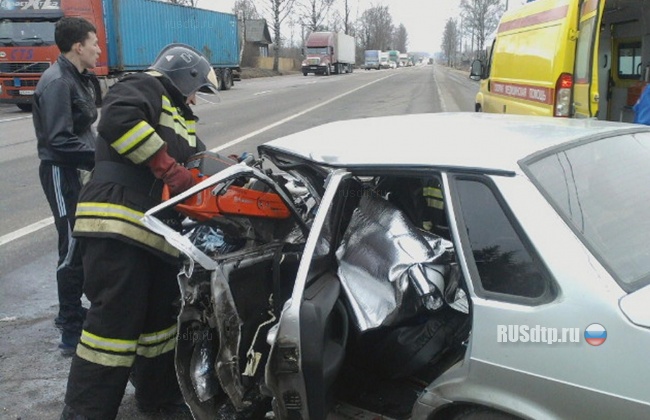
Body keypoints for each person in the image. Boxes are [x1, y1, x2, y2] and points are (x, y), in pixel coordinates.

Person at [60, 43, 219, 419]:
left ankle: (159, 398)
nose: (195, 101)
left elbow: (199, 161)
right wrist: (166, 166)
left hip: (153, 232)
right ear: (185, 77)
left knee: (158, 325)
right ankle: (86, 410)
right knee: (113, 325)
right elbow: (117, 122)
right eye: (195, 91)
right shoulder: (146, 86)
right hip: (116, 221)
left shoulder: (180, 115)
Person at [32, 16, 101, 356]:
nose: (99, 50)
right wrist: (100, 157)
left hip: (81, 171)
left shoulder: (79, 78)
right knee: (72, 245)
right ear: (79, 46)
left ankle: (74, 310)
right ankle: (70, 328)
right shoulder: (58, 82)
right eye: (94, 43)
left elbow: (86, 126)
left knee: (85, 240)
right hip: (63, 173)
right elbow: (59, 141)